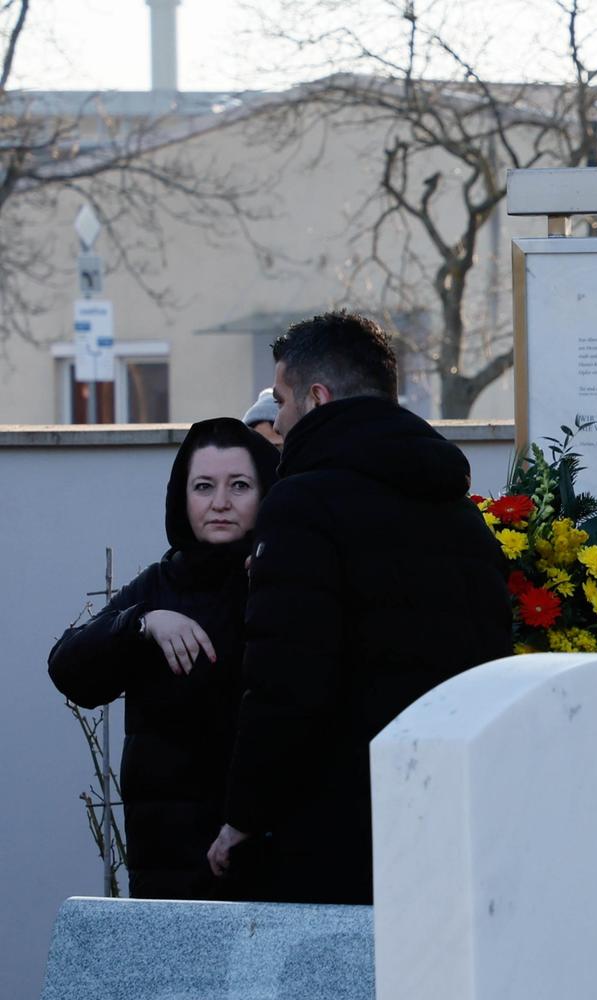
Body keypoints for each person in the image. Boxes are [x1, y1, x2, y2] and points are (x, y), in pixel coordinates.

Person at [207, 311, 511, 903]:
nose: (281, 419)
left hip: (335, 833)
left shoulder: (304, 505)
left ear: (317, 399)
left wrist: (244, 816)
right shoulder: (457, 510)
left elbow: (286, 683)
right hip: (447, 819)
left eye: (284, 400)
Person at [48, 418, 279, 899]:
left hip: (266, 858)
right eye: (203, 486)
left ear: (266, 492)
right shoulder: (159, 583)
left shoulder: (283, 577)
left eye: (239, 485)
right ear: (181, 496)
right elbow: (68, 667)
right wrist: (141, 624)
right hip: (168, 869)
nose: (220, 502)